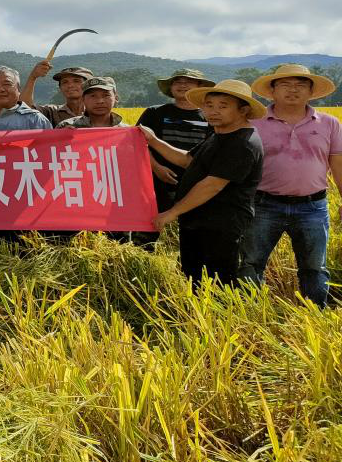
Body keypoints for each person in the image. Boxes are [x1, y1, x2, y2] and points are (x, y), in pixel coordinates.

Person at [140, 79, 265, 288]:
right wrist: (152, 140)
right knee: (194, 277)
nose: (214, 111)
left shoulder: (242, 143)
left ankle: (220, 319)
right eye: (209, 105)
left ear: (243, 110)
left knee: (218, 282)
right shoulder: (220, 135)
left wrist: (172, 212)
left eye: (223, 106)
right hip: (198, 221)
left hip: (221, 225)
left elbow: (212, 185)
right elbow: (188, 160)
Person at [238, 64, 342, 307]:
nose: (293, 90)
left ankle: (316, 313)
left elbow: (338, 164)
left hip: (313, 207)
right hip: (263, 204)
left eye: (300, 85)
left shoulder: (329, 123)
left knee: (315, 267)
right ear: (272, 91)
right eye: (285, 85)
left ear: (311, 92)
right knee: (251, 262)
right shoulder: (254, 121)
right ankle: (248, 311)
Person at [137, 69, 216, 220]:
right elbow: (136, 144)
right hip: (155, 185)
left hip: (196, 187)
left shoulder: (211, 117)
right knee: (151, 228)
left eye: (189, 82)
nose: (183, 85)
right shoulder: (154, 112)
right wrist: (156, 167)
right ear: (171, 88)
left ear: (199, 87)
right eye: (178, 82)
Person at [22, 63, 94, 127]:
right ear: (60, 88)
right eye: (65, 82)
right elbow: (24, 108)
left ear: (88, 85)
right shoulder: (52, 112)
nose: (70, 85)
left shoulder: (99, 111)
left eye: (76, 81)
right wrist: (33, 77)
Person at [57, 77, 126, 128]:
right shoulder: (66, 126)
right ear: (83, 99)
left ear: (116, 98)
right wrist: (63, 135)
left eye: (106, 95)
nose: (100, 101)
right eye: (93, 96)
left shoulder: (125, 130)